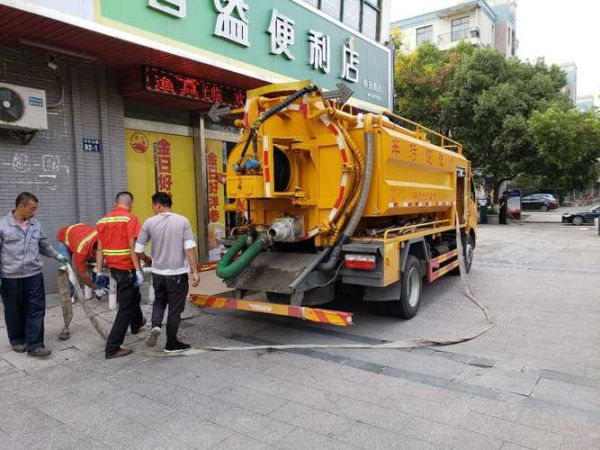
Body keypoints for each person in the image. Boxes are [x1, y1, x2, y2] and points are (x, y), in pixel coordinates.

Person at [0, 192, 67, 357]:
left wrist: (57, 255)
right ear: (20, 206)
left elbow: (43, 245)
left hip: (34, 274)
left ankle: (35, 344)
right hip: (10, 276)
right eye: (32, 208)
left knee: (36, 309)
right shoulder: (2, 226)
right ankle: (17, 340)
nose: (34, 212)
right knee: (13, 309)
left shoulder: (35, 224)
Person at [135, 192, 200, 353]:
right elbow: (190, 247)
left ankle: (156, 325)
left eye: (153, 206)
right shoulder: (182, 221)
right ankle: (171, 343)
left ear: (158, 205)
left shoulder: (149, 222)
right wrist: (195, 271)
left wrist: (146, 259)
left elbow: (138, 250)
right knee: (175, 309)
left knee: (159, 301)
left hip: (158, 273)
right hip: (177, 274)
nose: (153, 209)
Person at [96, 191, 150, 359]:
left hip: (115, 269)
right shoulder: (129, 218)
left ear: (115, 202)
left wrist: (98, 271)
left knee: (134, 297)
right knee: (125, 308)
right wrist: (139, 269)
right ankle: (112, 348)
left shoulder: (103, 220)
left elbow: (99, 248)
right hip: (127, 269)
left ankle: (137, 323)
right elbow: (133, 247)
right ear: (130, 204)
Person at [56, 223, 110, 298]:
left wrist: (100, 272)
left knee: (94, 263)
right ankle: (69, 295)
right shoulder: (81, 251)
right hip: (64, 237)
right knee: (67, 268)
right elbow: (82, 275)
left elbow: (101, 257)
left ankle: (98, 286)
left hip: (79, 232)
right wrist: (95, 289)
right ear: (94, 251)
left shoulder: (102, 238)